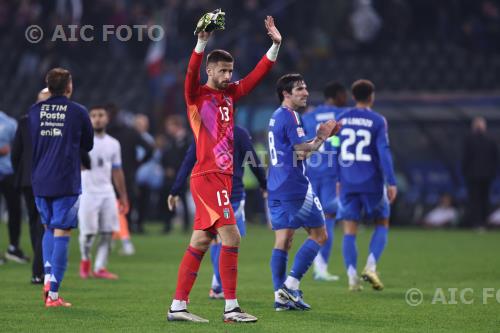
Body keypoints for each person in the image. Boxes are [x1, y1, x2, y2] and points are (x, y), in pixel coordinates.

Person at [167, 15, 281, 323]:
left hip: (222, 178)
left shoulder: (230, 95)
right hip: (207, 176)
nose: (229, 75)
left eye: (231, 70)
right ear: (210, 70)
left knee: (201, 241)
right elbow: (190, 74)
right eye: (223, 70)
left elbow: (256, 76)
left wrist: (275, 46)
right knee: (231, 237)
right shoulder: (196, 96)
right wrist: (201, 42)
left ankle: (178, 306)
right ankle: (231, 308)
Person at [168, 125, 267, 299]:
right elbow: (253, 161)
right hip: (232, 193)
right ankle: (221, 290)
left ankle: (212, 287)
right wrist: (264, 184)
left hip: (210, 195)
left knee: (212, 238)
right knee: (230, 238)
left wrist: (175, 189)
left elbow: (188, 160)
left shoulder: (204, 133)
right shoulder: (238, 133)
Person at [267, 73, 340, 311]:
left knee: (283, 241)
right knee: (320, 235)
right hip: (294, 187)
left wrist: (315, 139)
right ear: (286, 94)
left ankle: (281, 297)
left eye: (306, 87)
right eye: (299, 89)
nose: (306, 93)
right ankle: (289, 286)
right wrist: (321, 137)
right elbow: (302, 153)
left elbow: (293, 147)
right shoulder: (291, 117)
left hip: (276, 186)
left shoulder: (276, 116)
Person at [28, 68, 93, 307]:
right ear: (68, 87)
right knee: (62, 231)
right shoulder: (77, 112)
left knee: (47, 228)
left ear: (48, 86)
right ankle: (53, 294)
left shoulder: (34, 111)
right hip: (65, 179)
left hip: (40, 179)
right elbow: (88, 144)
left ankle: (47, 280)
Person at [335, 79, 397, 291]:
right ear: (371, 97)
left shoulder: (341, 119)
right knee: (382, 222)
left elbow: (335, 150)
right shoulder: (378, 121)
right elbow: (384, 152)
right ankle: (370, 266)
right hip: (372, 182)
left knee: (349, 231)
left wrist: (337, 178)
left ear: (353, 97)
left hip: (347, 182)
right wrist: (391, 182)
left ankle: (352, 277)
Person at [301, 81, 348, 282]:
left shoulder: (309, 115)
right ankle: (321, 267)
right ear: (337, 96)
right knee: (327, 219)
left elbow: (302, 143)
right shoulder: (341, 116)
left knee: (312, 221)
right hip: (330, 174)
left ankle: (313, 266)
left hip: (310, 172)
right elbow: (342, 145)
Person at [78, 106, 129, 280]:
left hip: (107, 192)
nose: (97, 119)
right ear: (89, 119)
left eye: (101, 115)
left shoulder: (113, 143)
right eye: (93, 116)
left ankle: (100, 267)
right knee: (88, 233)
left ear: (107, 119)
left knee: (108, 231)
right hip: (87, 192)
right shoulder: (82, 141)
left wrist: (122, 196)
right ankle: (85, 260)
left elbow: (117, 170)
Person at [10, 88, 51, 283]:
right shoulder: (54, 124)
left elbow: (15, 154)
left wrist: (23, 172)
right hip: (46, 179)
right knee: (43, 223)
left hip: (27, 179)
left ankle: (38, 267)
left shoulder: (25, 121)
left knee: (35, 221)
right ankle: (39, 269)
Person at [0, 110, 28, 264]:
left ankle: (13, 247)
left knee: (15, 211)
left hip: (8, 172)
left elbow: (19, 146)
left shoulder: (9, 122)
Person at [462, 117, 498, 229]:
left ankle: (477, 223)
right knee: (484, 199)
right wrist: (493, 173)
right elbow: (496, 158)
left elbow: (465, 159)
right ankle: (484, 222)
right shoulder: (491, 140)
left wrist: (465, 172)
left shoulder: (469, 140)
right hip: (486, 176)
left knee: (475, 200)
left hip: (473, 176)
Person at [161, 115, 192, 233]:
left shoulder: (188, 139)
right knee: (169, 199)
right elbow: (164, 157)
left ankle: (186, 225)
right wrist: (166, 168)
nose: (168, 129)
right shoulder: (170, 141)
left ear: (177, 126)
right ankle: (167, 225)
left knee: (183, 199)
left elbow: (188, 158)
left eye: (169, 126)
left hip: (182, 175)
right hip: (169, 176)